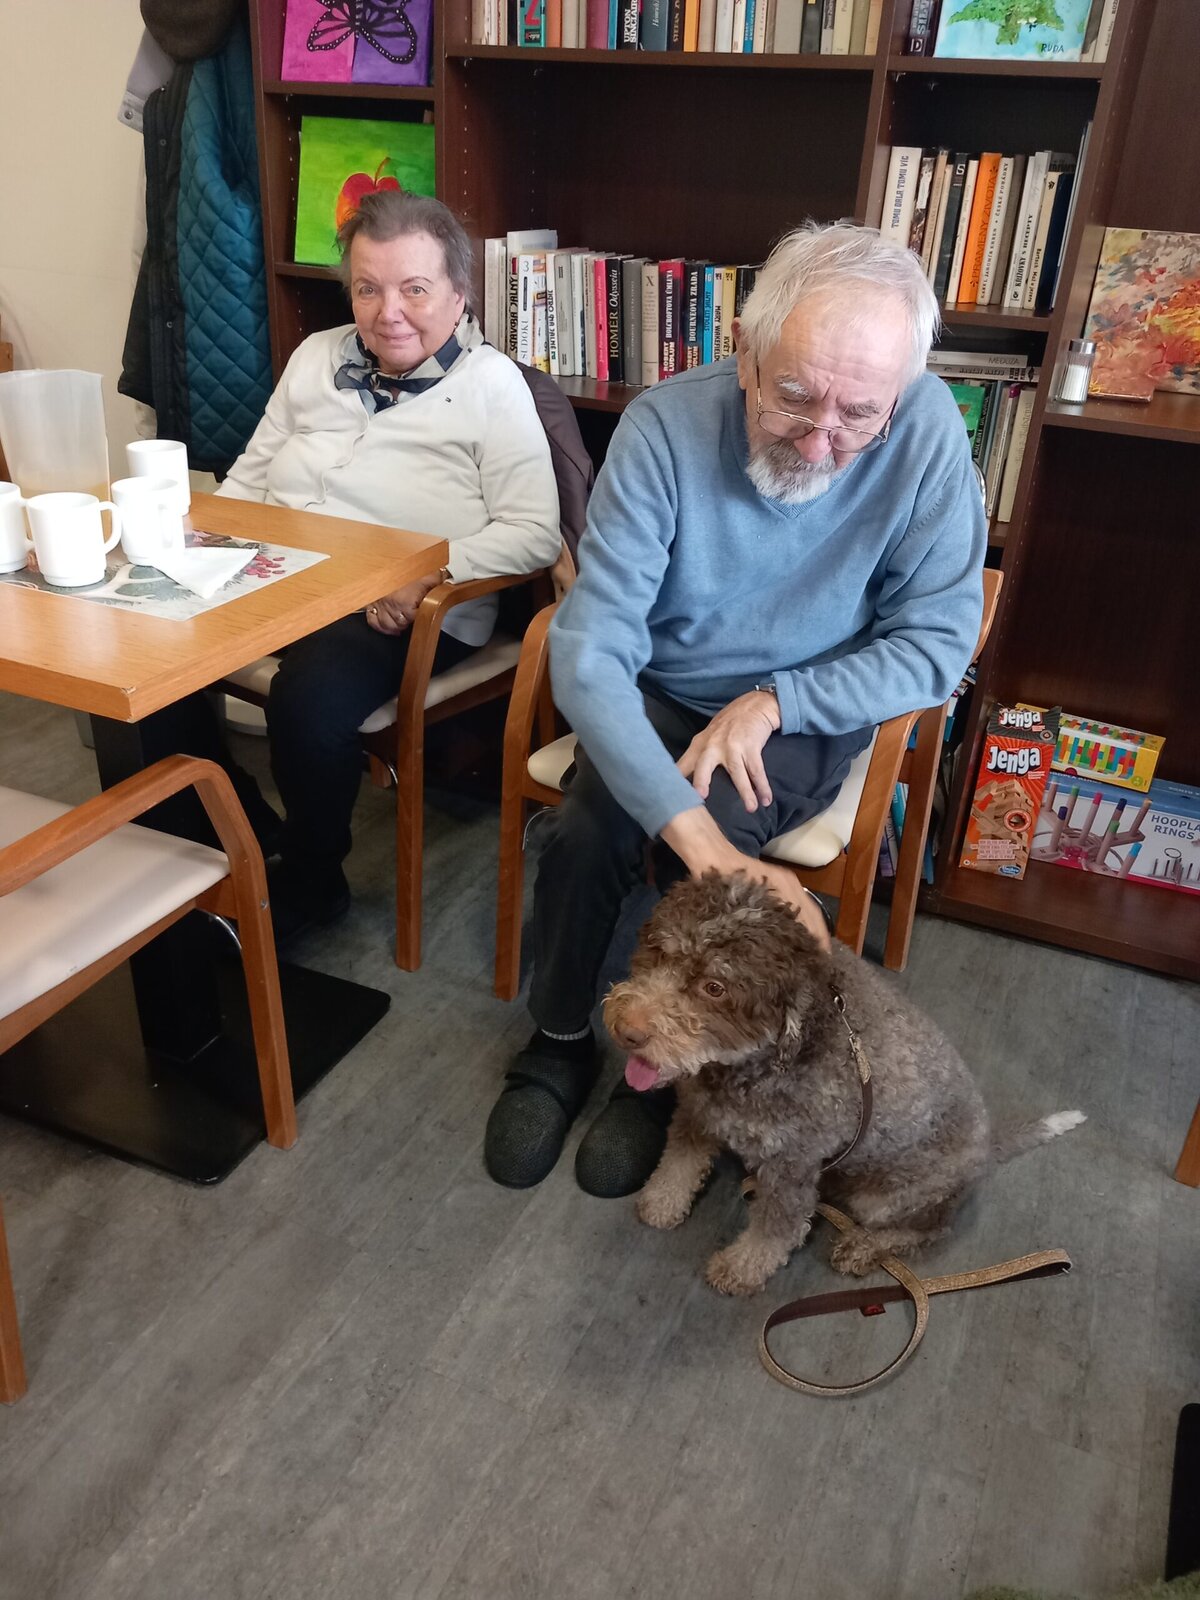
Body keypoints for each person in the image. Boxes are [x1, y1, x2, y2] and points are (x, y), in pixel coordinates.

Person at [483, 220, 987, 1198]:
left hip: (808, 705)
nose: (822, 440)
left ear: (901, 390)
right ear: (746, 351)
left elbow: (934, 646)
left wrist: (777, 701)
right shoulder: (665, 427)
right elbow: (590, 650)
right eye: (794, 396)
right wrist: (706, 844)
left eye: (860, 414)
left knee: (702, 859)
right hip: (668, 685)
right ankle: (557, 1039)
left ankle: (666, 1077)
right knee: (590, 829)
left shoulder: (925, 431)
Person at [216, 191, 561, 938]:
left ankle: (313, 880)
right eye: (368, 288)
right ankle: (225, 827)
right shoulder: (316, 357)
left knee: (309, 699)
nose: (389, 312)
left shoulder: (491, 385)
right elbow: (246, 482)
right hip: (283, 577)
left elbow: (534, 532)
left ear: (459, 295)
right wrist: (190, 552)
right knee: (148, 648)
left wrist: (428, 572)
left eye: (415, 289)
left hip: (404, 610)